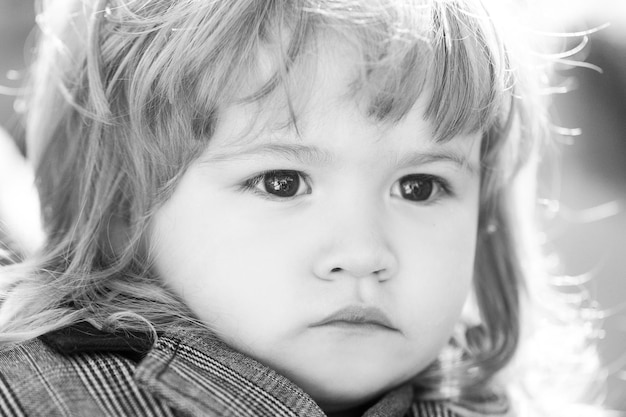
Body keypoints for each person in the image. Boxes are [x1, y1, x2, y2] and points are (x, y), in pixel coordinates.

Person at [0, 0, 606, 416]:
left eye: (419, 187)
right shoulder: (35, 395)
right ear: (124, 202)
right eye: (283, 182)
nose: (364, 254)